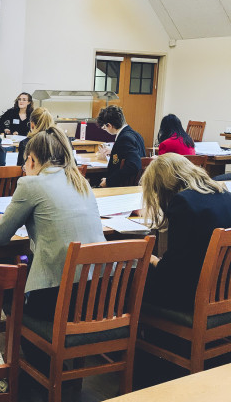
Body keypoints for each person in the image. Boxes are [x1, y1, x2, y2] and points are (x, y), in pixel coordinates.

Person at [0, 128, 105, 333]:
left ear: (32, 160)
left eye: (25, 161)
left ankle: (26, 355)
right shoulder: (81, 183)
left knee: (7, 292)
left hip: (55, 296)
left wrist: (7, 220)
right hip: (94, 293)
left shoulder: (31, 184)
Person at [141, 153, 231, 314]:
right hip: (223, 290)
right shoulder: (225, 195)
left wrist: (155, 261)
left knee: (130, 280)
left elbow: (174, 269)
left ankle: (124, 334)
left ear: (163, 186)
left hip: (192, 296)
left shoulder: (183, 202)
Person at [96, 105, 145, 187]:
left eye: (104, 128)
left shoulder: (124, 138)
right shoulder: (136, 135)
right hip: (137, 185)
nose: (105, 130)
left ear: (109, 125)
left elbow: (134, 165)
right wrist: (113, 151)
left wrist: (109, 181)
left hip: (124, 186)